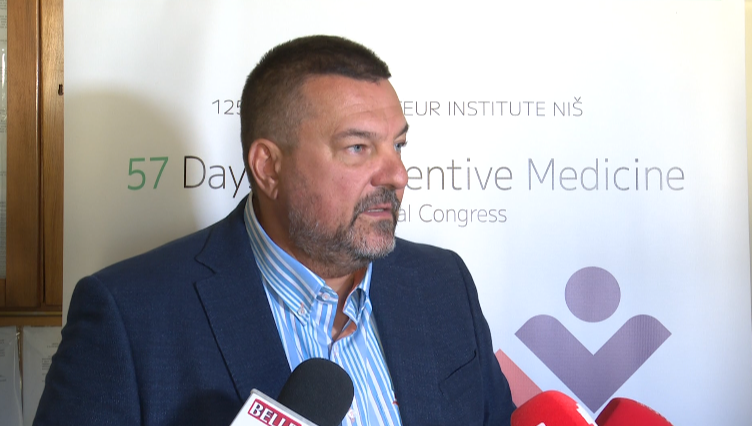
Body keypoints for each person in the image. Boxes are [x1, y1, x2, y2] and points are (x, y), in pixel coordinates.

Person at [34, 35, 515, 426]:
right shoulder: (130, 318)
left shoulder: (442, 283)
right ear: (268, 167)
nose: (397, 175)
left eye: (398, 146)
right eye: (357, 148)